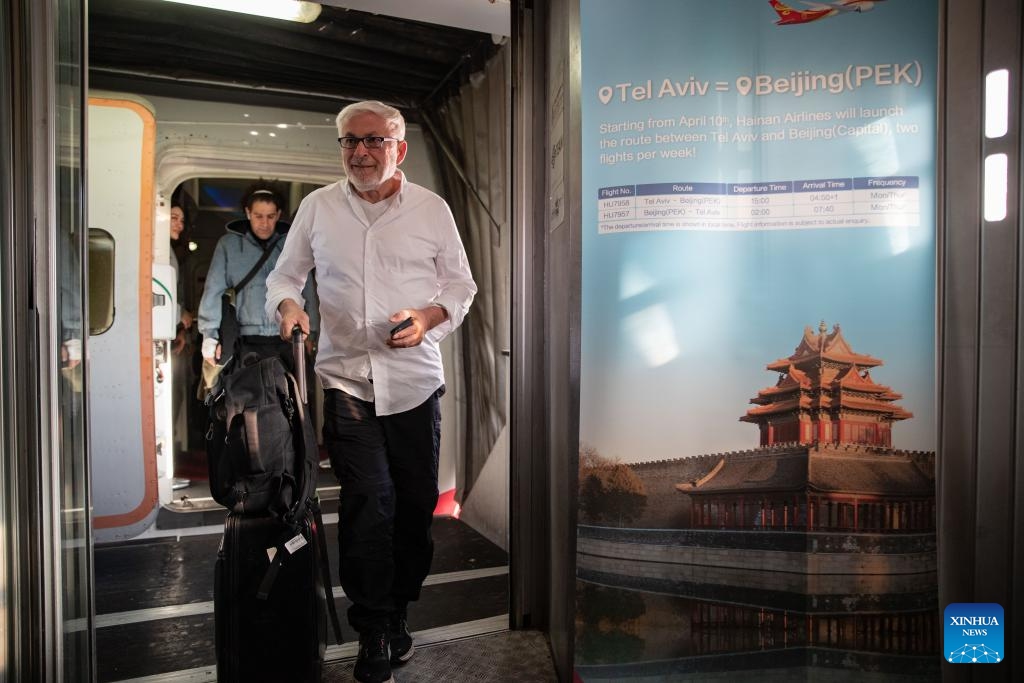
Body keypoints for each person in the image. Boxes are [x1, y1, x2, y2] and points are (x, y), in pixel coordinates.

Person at [265, 100, 476, 683]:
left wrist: (429, 316)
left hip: (414, 385)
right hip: (345, 380)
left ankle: (399, 608)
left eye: (374, 141)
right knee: (368, 504)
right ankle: (375, 627)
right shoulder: (317, 208)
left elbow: (461, 286)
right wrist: (287, 304)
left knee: (412, 509)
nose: (360, 151)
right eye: (349, 141)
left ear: (398, 149)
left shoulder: (432, 210)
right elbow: (286, 276)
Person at [197, 181, 303, 375]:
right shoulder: (228, 245)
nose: (264, 223)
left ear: (278, 215)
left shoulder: (290, 245)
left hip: (286, 337)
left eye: (270, 216)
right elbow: (214, 290)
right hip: (245, 339)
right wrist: (209, 336)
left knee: (288, 399)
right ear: (247, 213)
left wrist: (311, 332)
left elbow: (305, 287)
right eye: (258, 216)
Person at [169, 200, 196, 489]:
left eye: (181, 219)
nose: (179, 223)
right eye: (174, 217)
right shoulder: (160, 252)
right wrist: (180, 315)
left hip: (171, 336)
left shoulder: (169, 253)